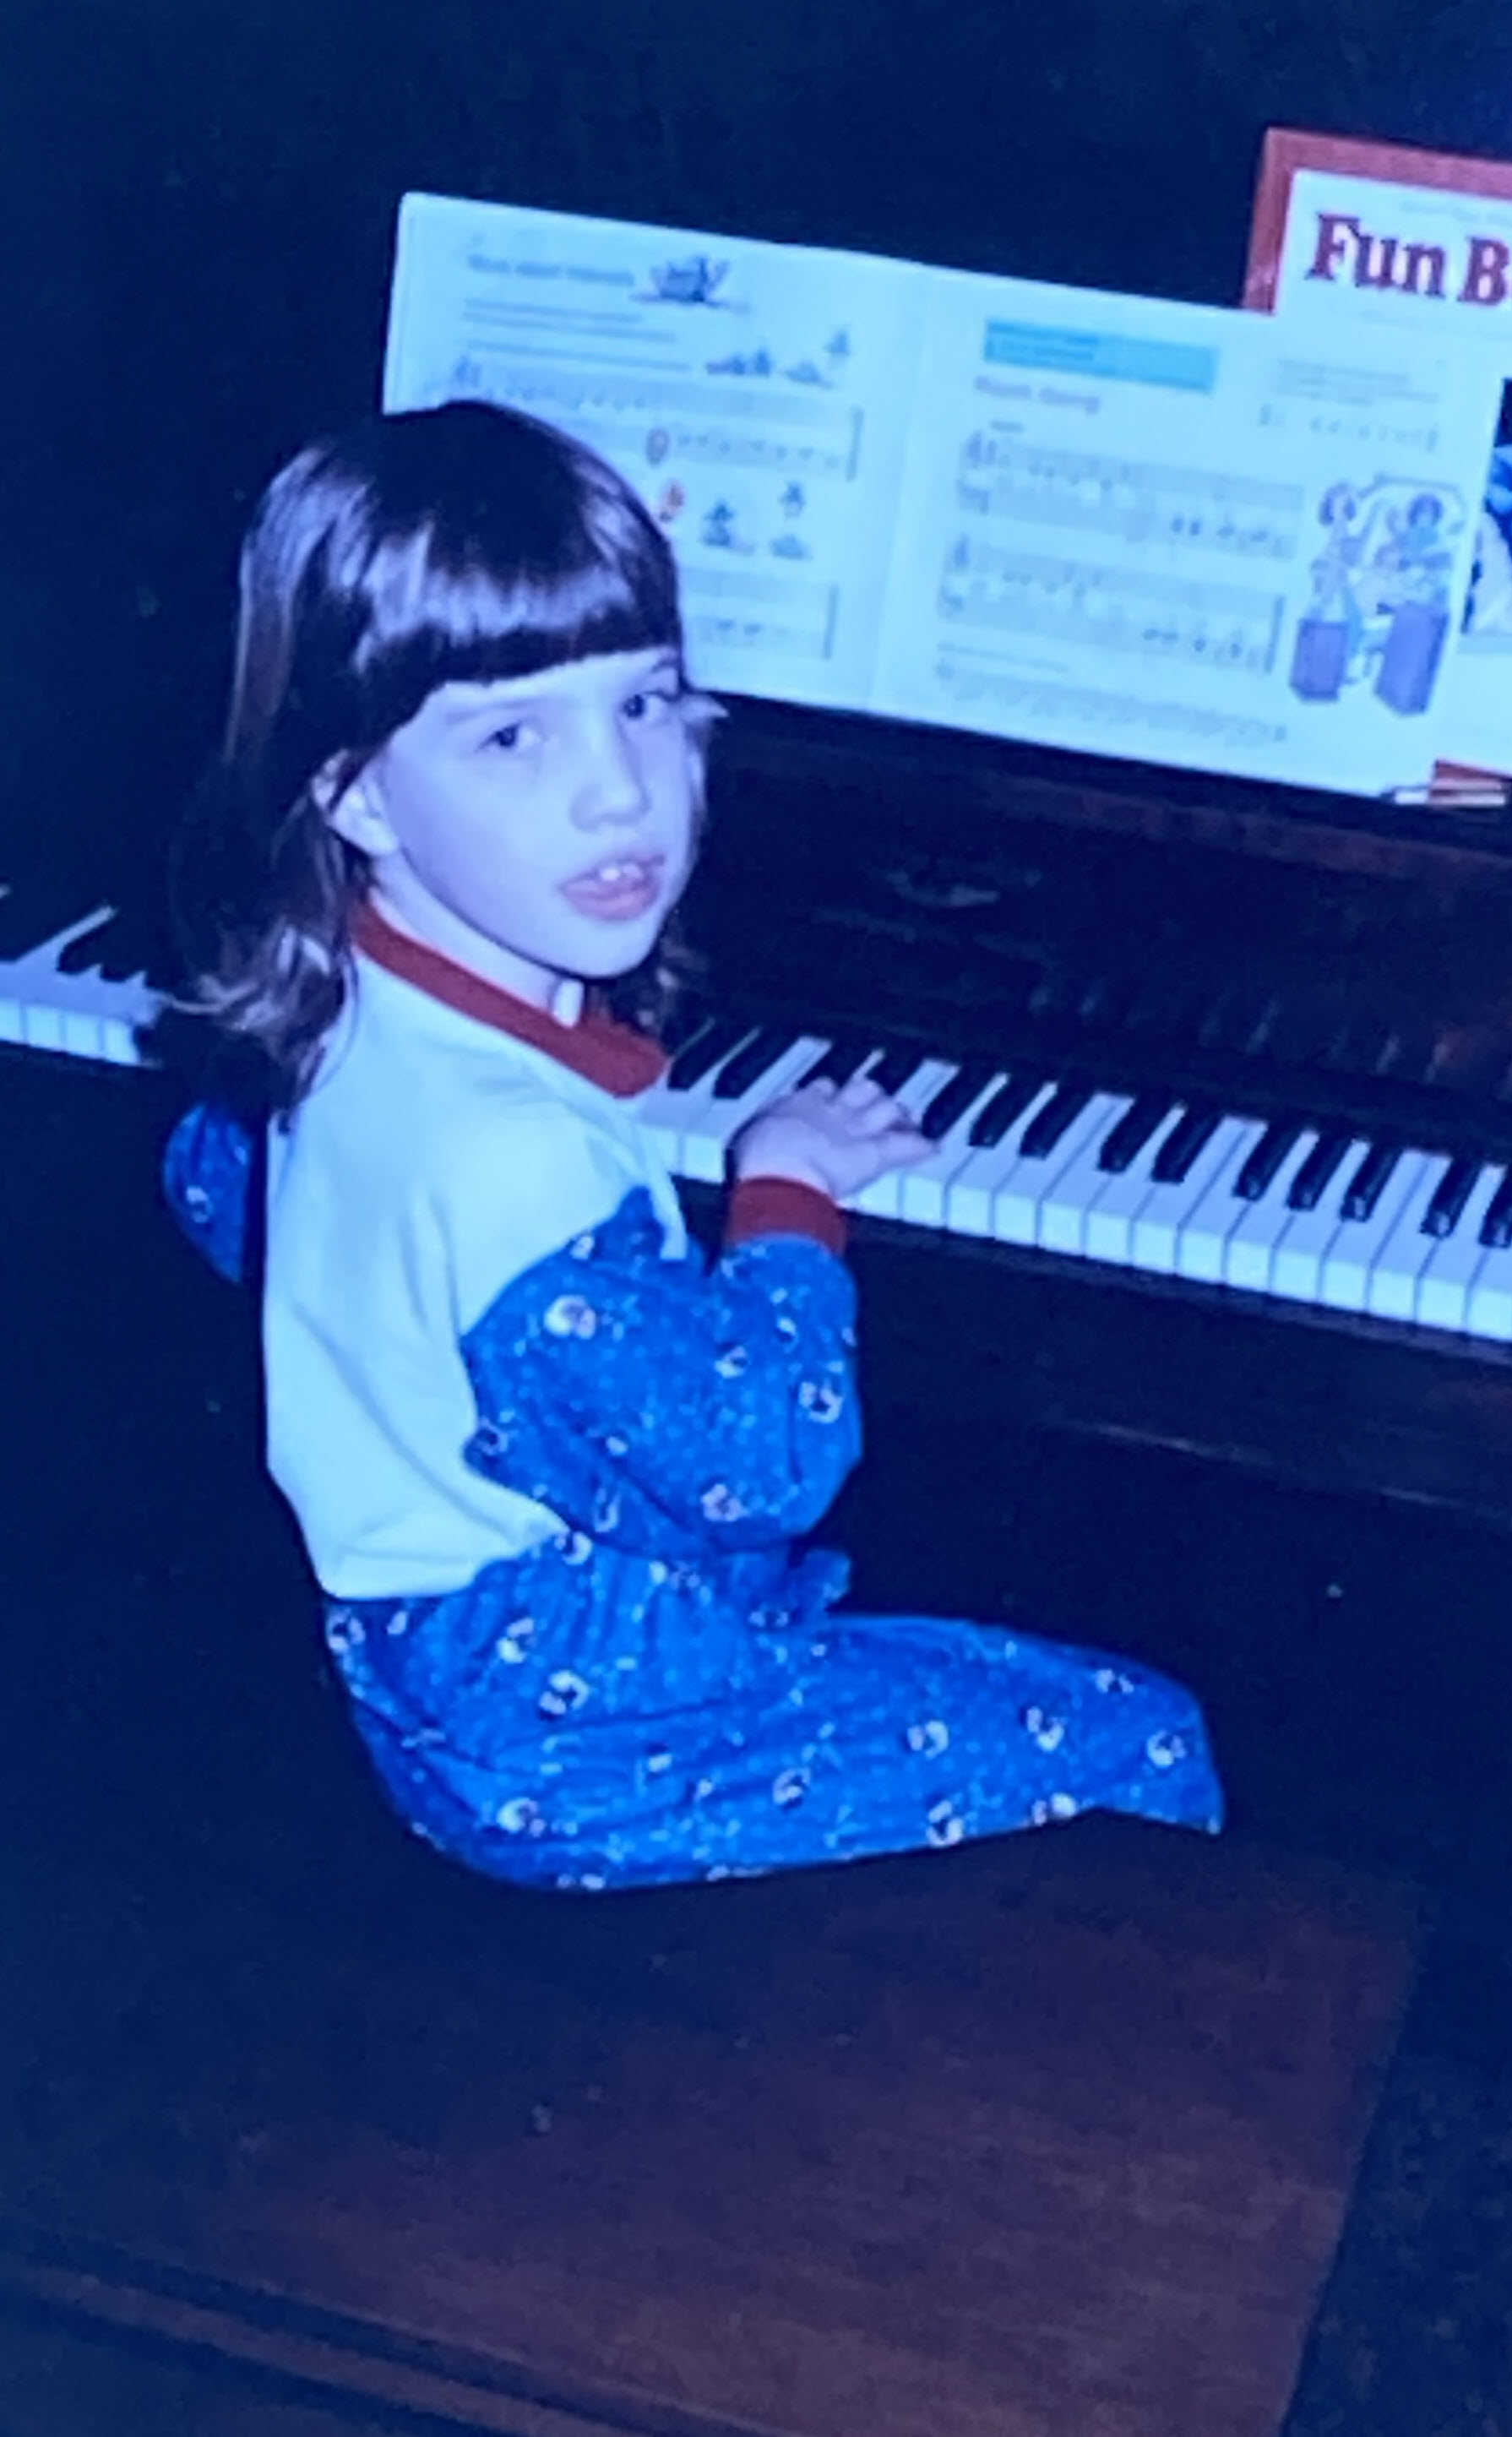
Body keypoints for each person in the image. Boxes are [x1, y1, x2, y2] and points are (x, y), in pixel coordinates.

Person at [156, 399, 1223, 1893]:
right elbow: (763, 1459)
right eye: (515, 732)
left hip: (431, 1668)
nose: (619, 791)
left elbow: (213, 1185)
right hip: (573, 1736)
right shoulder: (508, 1159)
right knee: (1141, 1739)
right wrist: (786, 1187)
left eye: (646, 703)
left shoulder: (340, 997)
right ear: (355, 794)